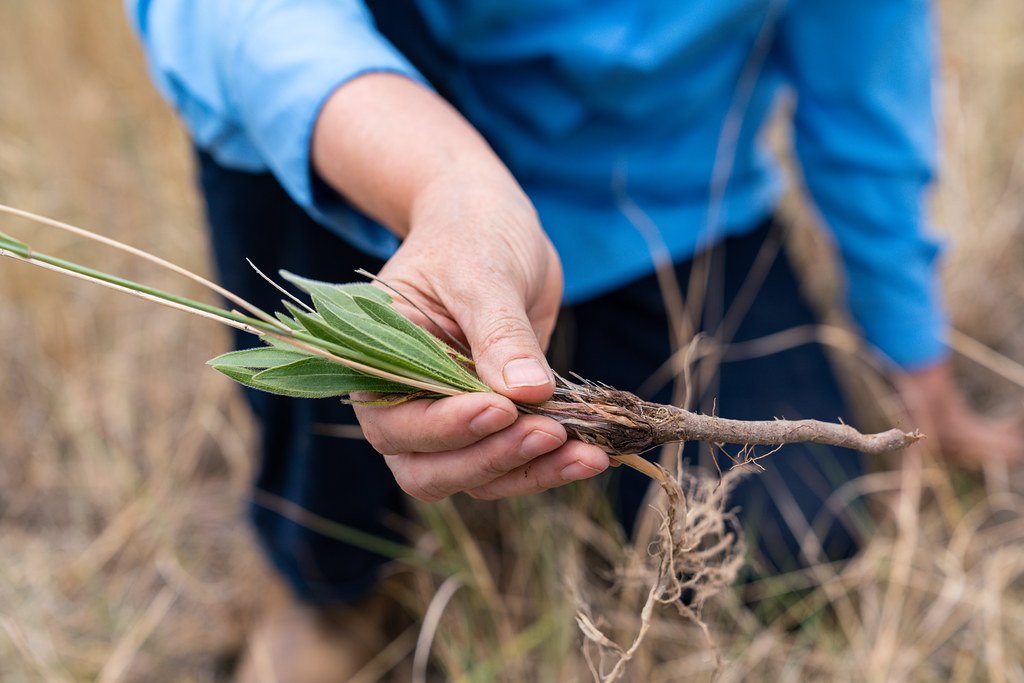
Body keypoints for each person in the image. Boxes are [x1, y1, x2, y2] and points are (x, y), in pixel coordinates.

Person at [128, 0, 1021, 679]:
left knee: (789, 546)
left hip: (672, 204)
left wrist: (914, 351)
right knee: (293, 191)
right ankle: (326, 576)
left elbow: (863, 78)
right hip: (386, 168)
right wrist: (446, 182)